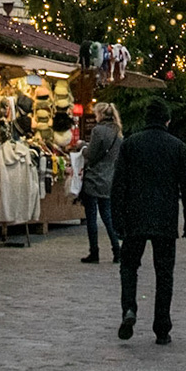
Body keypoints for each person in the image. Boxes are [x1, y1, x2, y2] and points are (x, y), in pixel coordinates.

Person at [110, 97, 186, 344]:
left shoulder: (131, 144)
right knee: (164, 273)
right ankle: (162, 327)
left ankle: (129, 307)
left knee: (129, 266)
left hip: (135, 216)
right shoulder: (177, 146)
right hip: (165, 218)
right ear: (167, 120)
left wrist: (117, 219)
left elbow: (119, 184)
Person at [79, 102, 122, 264]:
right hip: (109, 178)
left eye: (96, 114)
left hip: (94, 178)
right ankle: (116, 250)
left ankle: (94, 251)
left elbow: (91, 155)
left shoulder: (98, 131)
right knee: (107, 216)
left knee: (91, 217)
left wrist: (82, 147)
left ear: (101, 115)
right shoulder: (117, 132)